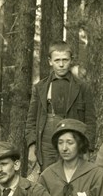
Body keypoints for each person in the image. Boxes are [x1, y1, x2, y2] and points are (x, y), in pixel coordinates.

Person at [25, 40, 96, 171]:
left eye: (65, 60)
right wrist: (32, 146)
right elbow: (31, 121)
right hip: (46, 142)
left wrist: (87, 148)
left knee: (72, 177)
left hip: (72, 141)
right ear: (50, 61)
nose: (61, 64)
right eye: (57, 60)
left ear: (71, 60)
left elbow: (90, 121)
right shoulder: (40, 87)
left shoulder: (82, 87)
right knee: (48, 177)